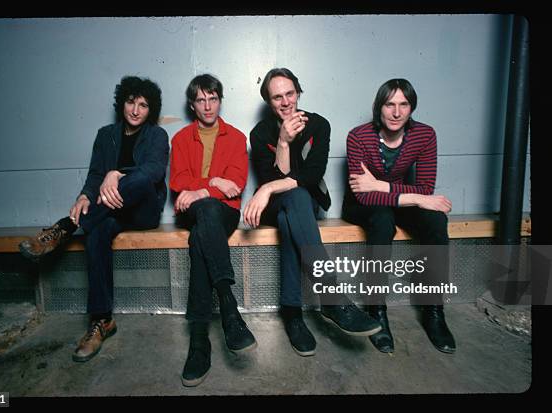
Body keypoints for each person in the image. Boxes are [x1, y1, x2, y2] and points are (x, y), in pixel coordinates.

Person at [19, 76, 170, 362]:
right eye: (130, 102)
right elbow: (94, 176)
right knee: (97, 232)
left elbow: (154, 172)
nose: (135, 110)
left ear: (151, 110)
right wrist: (84, 197)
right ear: (121, 102)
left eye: (143, 105)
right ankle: (102, 321)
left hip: (142, 210)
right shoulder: (105, 135)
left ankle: (65, 227)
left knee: (140, 181)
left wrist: (117, 174)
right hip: (109, 210)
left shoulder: (156, 136)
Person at [244, 68, 381, 358]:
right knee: (289, 202)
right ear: (269, 102)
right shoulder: (260, 134)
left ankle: (292, 313)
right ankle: (331, 300)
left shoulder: (319, 125)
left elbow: (311, 175)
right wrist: (282, 142)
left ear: (299, 92)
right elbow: (270, 176)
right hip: (275, 206)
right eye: (277, 97)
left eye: (290, 94)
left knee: (293, 207)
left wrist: (267, 189)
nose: (285, 102)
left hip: (306, 205)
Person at [342, 78, 456, 354]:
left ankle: (434, 312)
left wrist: (382, 185)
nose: (396, 112)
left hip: (399, 201)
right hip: (362, 205)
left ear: (411, 108)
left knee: (436, 219)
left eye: (403, 104)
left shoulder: (425, 135)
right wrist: (416, 196)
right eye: (389, 104)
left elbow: (426, 189)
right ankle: (376, 310)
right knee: (382, 220)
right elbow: (364, 194)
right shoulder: (358, 136)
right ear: (379, 107)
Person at [169, 74, 256, 387]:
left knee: (200, 236)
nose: (208, 106)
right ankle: (229, 309)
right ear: (193, 105)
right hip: (196, 211)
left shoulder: (235, 137)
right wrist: (215, 183)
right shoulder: (180, 139)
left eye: (213, 98)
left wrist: (203, 190)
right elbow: (178, 183)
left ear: (220, 100)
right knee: (203, 214)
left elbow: (237, 185)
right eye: (201, 100)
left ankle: (199, 341)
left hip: (224, 214)